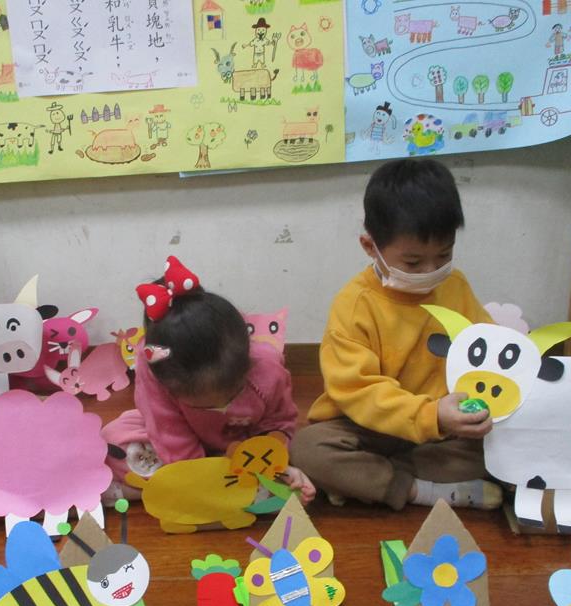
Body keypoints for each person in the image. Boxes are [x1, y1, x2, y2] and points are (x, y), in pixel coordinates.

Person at [290, 159, 502, 512]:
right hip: (371, 429)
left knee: (499, 441)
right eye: (413, 263)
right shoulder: (355, 304)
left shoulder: (456, 285)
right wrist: (429, 415)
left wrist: (470, 410)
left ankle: (371, 482)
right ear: (370, 246)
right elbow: (356, 391)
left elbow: (487, 347)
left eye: (444, 255)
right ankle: (420, 490)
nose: (431, 271)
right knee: (308, 449)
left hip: (441, 432)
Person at [101, 256, 315, 504]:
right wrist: (203, 476)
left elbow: (279, 422)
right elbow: (168, 435)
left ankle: (165, 491)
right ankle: (145, 491)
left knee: (298, 452)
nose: (219, 406)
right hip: (179, 449)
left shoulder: (268, 368)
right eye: (201, 404)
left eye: (231, 393)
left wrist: (271, 463)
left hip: (243, 447)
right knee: (113, 441)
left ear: (247, 362)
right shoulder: (154, 373)